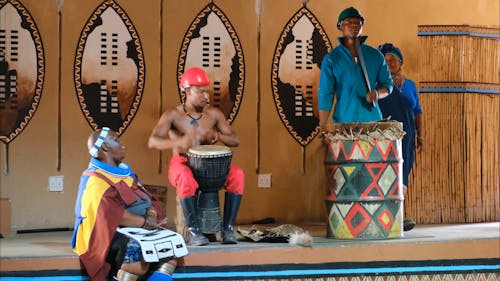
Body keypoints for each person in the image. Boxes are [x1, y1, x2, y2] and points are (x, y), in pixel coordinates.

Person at [148, 67, 244, 246]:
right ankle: (194, 231)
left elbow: (235, 140)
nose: (206, 96)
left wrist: (217, 136)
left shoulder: (214, 114)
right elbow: (153, 141)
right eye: (201, 91)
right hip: (183, 163)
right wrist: (179, 143)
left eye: (207, 91)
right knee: (185, 178)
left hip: (211, 168)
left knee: (237, 175)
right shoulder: (173, 115)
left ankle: (228, 229)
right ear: (187, 91)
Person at [72, 127, 180, 281]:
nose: (123, 144)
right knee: (135, 257)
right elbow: (110, 215)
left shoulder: (127, 175)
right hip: (110, 231)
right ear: (105, 147)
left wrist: (151, 214)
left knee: (171, 247)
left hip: (142, 226)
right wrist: (145, 223)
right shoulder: (94, 180)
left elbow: (147, 198)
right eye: (116, 140)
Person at [317, 7, 393, 126]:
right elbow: (326, 94)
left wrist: (377, 94)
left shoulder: (375, 55)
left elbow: (388, 84)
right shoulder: (332, 59)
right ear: (340, 26)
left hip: (372, 123)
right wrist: (323, 125)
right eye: (349, 22)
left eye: (358, 22)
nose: (354, 26)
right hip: (344, 122)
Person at [378, 43, 424, 231]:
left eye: (393, 60)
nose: (390, 63)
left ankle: (399, 215)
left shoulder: (410, 85)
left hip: (407, 137)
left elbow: (417, 111)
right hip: (385, 136)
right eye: (386, 60)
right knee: (386, 172)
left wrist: (420, 134)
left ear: (400, 63)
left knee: (403, 172)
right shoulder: (378, 86)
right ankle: (386, 216)